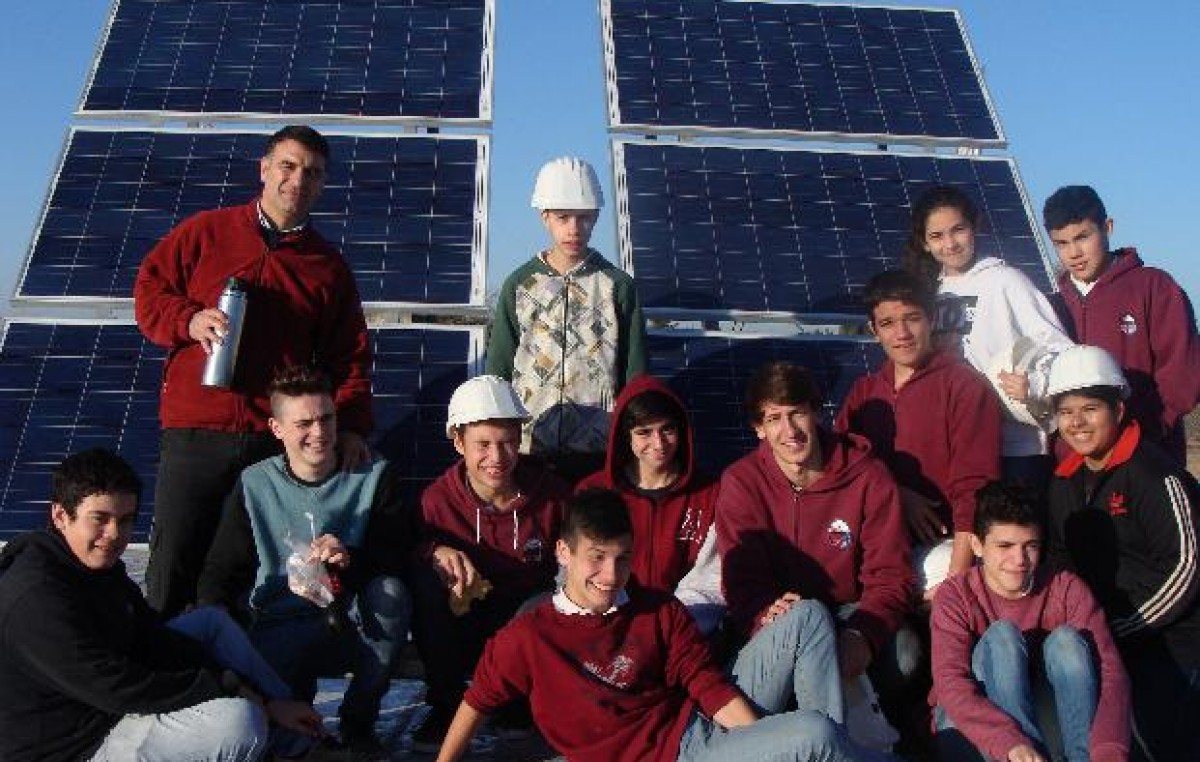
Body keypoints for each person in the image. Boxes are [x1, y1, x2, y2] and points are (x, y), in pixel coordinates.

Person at [433, 488, 901, 762]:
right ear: (564, 553)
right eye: (596, 559)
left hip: (701, 730)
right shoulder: (529, 637)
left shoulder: (655, 609)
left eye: (622, 560)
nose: (610, 576)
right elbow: (476, 703)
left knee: (809, 617)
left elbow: (707, 685)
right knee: (813, 734)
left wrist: (762, 746)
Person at [134, 124, 373, 618]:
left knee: (241, 567)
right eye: (287, 166)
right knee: (175, 555)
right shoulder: (206, 232)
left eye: (312, 173)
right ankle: (161, 672)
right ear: (264, 168)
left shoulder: (327, 267)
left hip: (273, 438)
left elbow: (349, 356)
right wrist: (189, 319)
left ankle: (229, 677)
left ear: (322, 184)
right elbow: (149, 293)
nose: (297, 181)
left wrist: (348, 425)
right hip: (196, 427)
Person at [0, 448, 322, 762]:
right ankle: (271, 731)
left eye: (125, 520)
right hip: (73, 746)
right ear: (60, 516)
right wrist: (238, 694)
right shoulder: (35, 598)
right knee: (238, 723)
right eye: (100, 519)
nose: (114, 534)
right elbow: (117, 686)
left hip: (106, 711)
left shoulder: (93, 567)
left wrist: (254, 692)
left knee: (211, 623)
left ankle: (300, 741)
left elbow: (154, 639)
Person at [197, 365, 410, 754]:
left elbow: (396, 555)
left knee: (392, 593)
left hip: (351, 620)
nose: (319, 433)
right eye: (304, 423)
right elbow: (222, 572)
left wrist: (350, 558)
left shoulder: (373, 475)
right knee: (290, 741)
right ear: (277, 429)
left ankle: (359, 721)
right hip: (278, 621)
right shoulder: (255, 484)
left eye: (327, 418)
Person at [716, 362, 915, 705]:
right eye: (774, 418)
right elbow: (741, 580)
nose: (789, 430)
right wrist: (764, 615)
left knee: (905, 653)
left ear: (817, 413)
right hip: (780, 617)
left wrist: (862, 635)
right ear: (758, 428)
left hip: (846, 612)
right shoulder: (742, 482)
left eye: (797, 413)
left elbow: (890, 573)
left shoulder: (868, 477)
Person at [1043, 344, 1200, 761]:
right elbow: (1060, 561)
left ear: (1118, 409)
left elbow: (1185, 568)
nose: (1077, 422)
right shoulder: (1063, 482)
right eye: (1066, 411)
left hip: (1170, 643)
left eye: (1090, 408)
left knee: (1157, 743)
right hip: (1105, 640)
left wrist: (1120, 628)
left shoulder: (1154, 475)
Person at [407, 375, 571, 752]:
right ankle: (446, 704)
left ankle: (517, 705)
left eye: (508, 442)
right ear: (458, 442)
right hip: (462, 624)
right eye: (483, 444)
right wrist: (433, 551)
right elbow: (404, 548)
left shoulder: (552, 496)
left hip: (522, 625)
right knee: (423, 584)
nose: (497, 458)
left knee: (548, 604)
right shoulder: (436, 502)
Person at [931, 481, 1130, 762]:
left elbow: (1112, 674)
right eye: (1005, 546)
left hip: (1045, 711)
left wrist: (1108, 751)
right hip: (976, 725)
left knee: (1067, 642)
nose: (1019, 560)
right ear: (977, 545)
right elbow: (950, 682)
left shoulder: (1066, 588)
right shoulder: (956, 595)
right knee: (1003, 637)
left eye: (1030, 546)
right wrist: (1009, 742)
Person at [837, 269, 1001, 597]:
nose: (902, 333)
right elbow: (840, 465)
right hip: (873, 555)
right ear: (874, 330)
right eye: (887, 323)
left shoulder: (963, 387)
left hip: (943, 552)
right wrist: (897, 493)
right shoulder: (864, 393)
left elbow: (975, 487)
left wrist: (955, 581)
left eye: (912, 318)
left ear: (931, 319)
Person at [484, 156, 647, 483]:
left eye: (584, 218)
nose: (574, 228)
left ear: (597, 216)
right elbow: (499, 367)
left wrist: (632, 439)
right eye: (563, 218)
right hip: (529, 446)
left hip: (598, 449)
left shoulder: (617, 285)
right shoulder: (519, 285)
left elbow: (635, 371)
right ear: (545, 217)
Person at [903, 184, 1073, 488]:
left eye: (958, 230)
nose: (950, 244)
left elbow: (1060, 348)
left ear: (975, 226)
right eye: (937, 236)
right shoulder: (928, 296)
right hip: (959, 448)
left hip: (1016, 449)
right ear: (924, 243)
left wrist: (1034, 385)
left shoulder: (1007, 281)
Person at [1043, 184, 1200, 465]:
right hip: (1072, 463)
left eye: (1083, 237)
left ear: (1108, 228)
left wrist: (1144, 433)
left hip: (1147, 456)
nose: (1074, 252)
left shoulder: (1154, 287)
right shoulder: (1050, 305)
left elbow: (1182, 374)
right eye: (1062, 243)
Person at [576, 374, 724, 633]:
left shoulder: (711, 494)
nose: (659, 443)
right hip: (607, 625)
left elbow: (710, 582)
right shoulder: (593, 492)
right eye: (644, 432)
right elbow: (577, 573)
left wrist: (665, 626)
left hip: (686, 628)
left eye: (667, 429)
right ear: (625, 436)